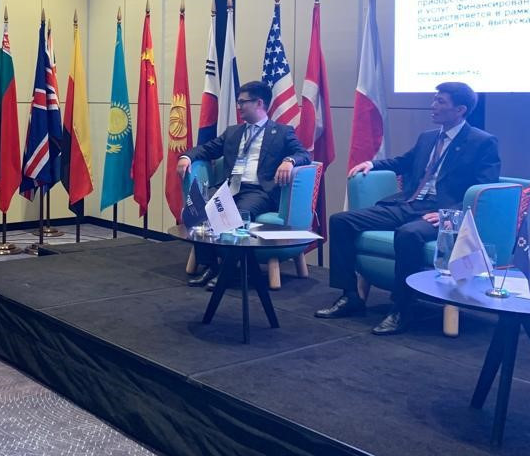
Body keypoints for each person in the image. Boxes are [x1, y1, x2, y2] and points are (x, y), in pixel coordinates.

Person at [315, 82, 500, 335]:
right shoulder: (428, 137)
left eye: (441, 102)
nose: (433, 106)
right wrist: (372, 164)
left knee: (408, 234)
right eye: (434, 99)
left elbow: (484, 187)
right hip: (409, 203)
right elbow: (403, 162)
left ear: (460, 110)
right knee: (341, 221)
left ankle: (402, 307)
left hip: (441, 213)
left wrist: (451, 214)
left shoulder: (482, 142)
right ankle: (350, 296)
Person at [176, 80, 311, 288]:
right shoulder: (233, 132)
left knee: (234, 215)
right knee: (198, 211)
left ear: (259, 103)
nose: (238, 106)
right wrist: (186, 157)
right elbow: (207, 149)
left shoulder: (282, 132)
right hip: (230, 188)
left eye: (242, 102)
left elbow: (303, 154)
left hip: (258, 191)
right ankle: (211, 266)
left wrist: (289, 161)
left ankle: (227, 273)